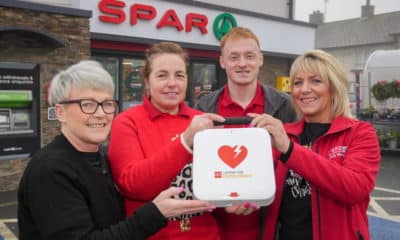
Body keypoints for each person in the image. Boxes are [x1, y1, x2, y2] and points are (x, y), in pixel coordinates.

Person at [18, 60, 216, 240]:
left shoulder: (101, 157)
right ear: (60, 112)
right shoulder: (50, 170)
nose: (100, 114)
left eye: (106, 104)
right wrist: (155, 213)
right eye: (87, 105)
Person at [248, 50, 381, 240]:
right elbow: (257, 185)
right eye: (297, 83)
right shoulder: (283, 134)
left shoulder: (360, 133)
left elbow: (353, 188)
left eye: (315, 81)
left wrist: (290, 150)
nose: (304, 89)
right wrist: (241, 200)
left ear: (334, 88)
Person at [108, 42, 225, 239]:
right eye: (162, 75)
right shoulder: (127, 122)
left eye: (179, 75)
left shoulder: (203, 120)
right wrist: (185, 142)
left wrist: (235, 198)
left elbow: (219, 179)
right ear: (147, 81)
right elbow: (133, 184)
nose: (172, 83)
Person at [194, 26, 296, 239]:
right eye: (234, 57)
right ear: (222, 62)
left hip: (271, 225)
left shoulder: (286, 106)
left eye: (249, 56)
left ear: (260, 59)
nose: (242, 63)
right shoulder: (204, 107)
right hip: (216, 226)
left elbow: (296, 163)